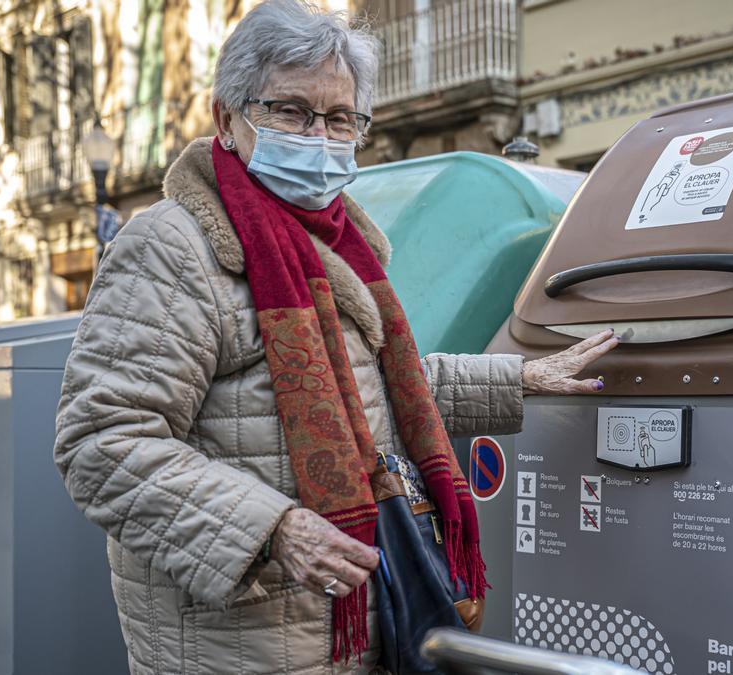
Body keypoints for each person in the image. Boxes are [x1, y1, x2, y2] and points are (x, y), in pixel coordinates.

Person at [52, 1, 617, 673]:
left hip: (350, 631)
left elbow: (371, 384)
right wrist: (271, 529)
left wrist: (519, 376)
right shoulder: (176, 247)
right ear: (226, 118)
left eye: (340, 117)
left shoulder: (342, 240)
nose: (319, 134)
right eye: (290, 111)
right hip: (241, 648)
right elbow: (99, 440)